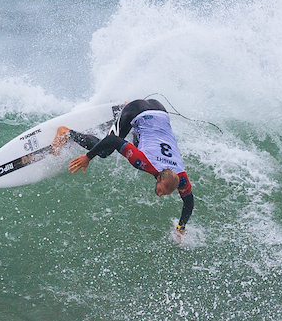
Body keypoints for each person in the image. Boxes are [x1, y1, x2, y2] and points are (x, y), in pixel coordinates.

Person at [52, 98, 194, 239]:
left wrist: (181, 227)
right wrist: (88, 157)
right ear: (158, 178)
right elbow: (113, 141)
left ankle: (126, 110)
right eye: (161, 190)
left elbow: (188, 201)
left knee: (140, 143)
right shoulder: (142, 161)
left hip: (160, 110)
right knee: (104, 151)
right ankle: (66, 133)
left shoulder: (180, 175)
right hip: (135, 111)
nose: (159, 194)